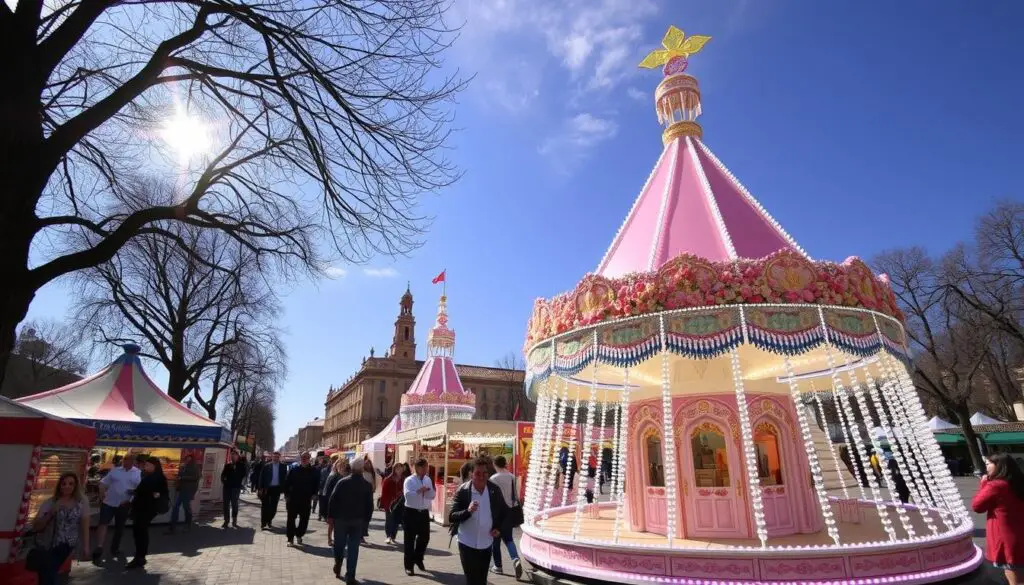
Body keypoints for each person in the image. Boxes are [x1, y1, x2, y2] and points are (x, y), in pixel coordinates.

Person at [450, 457, 509, 585]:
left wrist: (498, 528)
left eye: (485, 473)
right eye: (478, 473)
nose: (482, 476)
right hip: (467, 542)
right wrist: (468, 511)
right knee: (472, 580)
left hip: (486, 543)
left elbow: (505, 512)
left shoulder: (494, 490)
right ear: (471, 474)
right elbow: (452, 516)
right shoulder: (463, 490)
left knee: (482, 581)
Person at [972, 453, 1024, 585]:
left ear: (999, 466)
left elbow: (977, 506)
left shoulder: (995, 486)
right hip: (1020, 534)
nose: (986, 468)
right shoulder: (1018, 483)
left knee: (1014, 576)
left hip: (1006, 538)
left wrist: (984, 483)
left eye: (988, 464)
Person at [30, 472, 90, 585]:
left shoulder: (82, 501)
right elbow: (37, 526)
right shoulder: (51, 502)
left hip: (67, 543)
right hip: (49, 542)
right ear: (59, 485)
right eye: (64, 484)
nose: (67, 486)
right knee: (46, 571)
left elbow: (85, 524)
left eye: (71, 484)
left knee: (49, 569)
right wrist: (51, 512)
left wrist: (86, 546)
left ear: (75, 486)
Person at [328, 459, 374, 584]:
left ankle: (338, 562)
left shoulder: (342, 482)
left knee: (339, 544)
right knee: (353, 549)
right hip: (357, 521)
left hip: (341, 519)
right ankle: (350, 576)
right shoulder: (366, 485)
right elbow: (370, 505)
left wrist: (330, 517)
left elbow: (333, 500)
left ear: (351, 468)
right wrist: (366, 521)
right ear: (362, 469)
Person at [92, 454, 140, 561]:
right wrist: (101, 493)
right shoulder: (115, 471)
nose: (126, 461)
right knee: (103, 523)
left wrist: (130, 500)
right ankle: (99, 547)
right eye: (125, 459)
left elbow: (139, 490)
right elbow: (103, 482)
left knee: (120, 527)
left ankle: (115, 547)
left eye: (128, 460)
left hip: (124, 504)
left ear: (133, 461)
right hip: (108, 502)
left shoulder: (137, 473)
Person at [126, 457, 168, 569]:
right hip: (141, 508)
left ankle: (140, 557)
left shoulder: (158, 478)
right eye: (145, 465)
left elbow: (159, 493)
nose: (146, 467)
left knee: (141, 532)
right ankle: (140, 556)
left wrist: (150, 494)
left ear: (155, 466)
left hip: (147, 509)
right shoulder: (148, 476)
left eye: (148, 465)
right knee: (138, 532)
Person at [489, 455, 523, 578]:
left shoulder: (493, 478)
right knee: (509, 539)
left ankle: (498, 566)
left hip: (497, 513)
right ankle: (515, 559)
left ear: (495, 464)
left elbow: (491, 498)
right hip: (509, 512)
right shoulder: (512, 477)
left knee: (495, 539)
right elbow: (516, 496)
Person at [403, 458, 436, 576]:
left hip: (423, 512)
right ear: (417, 468)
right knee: (409, 540)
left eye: (426, 467)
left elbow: (432, 495)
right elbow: (408, 496)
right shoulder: (409, 480)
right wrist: (418, 491)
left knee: (425, 538)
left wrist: (428, 491)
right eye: (423, 467)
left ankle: (418, 558)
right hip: (411, 511)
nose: (426, 469)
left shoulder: (427, 479)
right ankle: (408, 566)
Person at [285, 452, 320, 546]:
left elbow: (317, 484)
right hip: (293, 499)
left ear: (309, 459)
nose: (304, 459)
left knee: (304, 520)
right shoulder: (294, 470)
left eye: (307, 457)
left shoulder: (314, 471)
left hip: (306, 499)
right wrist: (287, 495)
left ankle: (299, 534)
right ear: (300, 459)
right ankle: (290, 538)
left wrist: (315, 494)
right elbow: (287, 483)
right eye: (303, 457)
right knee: (291, 519)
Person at [168, 454, 200, 533]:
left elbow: (195, 477)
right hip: (182, 489)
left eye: (189, 459)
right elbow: (180, 475)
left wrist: (182, 477)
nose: (187, 460)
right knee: (176, 507)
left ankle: (187, 525)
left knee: (186, 507)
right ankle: (173, 526)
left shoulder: (195, 467)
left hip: (189, 490)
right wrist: (178, 476)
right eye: (187, 459)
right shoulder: (183, 466)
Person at [259, 451, 288, 529]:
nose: (276, 458)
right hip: (267, 488)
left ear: (279, 457)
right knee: (265, 506)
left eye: (277, 457)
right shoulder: (267, 466)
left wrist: (286, 490)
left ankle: (269, 520)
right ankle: (263, 523)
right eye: (274, 457)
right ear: (272, 457)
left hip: (277, 489)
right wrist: (260, 488)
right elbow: (261, 477)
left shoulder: (283, 466)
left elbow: (285, 478)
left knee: (273, 507)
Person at [324, 458, 350, 546]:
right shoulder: (333, 476)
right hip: (333, 503)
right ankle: (329, 539)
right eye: (341, 466)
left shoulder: (345, 477)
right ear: (337, 466)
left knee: (339, 524)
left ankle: (337, 538)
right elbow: (328, 492)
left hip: (342, 504)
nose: (342, 468)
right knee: (331, 523)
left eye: (344, 466)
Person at [221, 451, 247, 528]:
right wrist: (224, 481)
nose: (233, 457)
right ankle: (226, 521)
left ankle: (234, 520)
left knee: (234, 504)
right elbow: (223, 475)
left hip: (236, 488)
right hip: (227, 488)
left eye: (234, 455)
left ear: (237, 456)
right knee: (226, 505)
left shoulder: (242, 465)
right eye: (232, 455)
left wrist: (241, 484)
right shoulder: (228, 465)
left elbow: (244, 476)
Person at [381, 463, 405, 545]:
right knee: (389, 520)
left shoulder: (403, 479)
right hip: (390, 503)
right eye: (398, 468)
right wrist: (385, 504)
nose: (399, 470)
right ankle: (388, 536)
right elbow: (384, 492)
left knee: (396, 521)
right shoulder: (388, 479)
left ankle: (393, 536)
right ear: (394, 469)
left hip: (400, 503)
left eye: (401, 468)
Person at [361, 457, 378, 542]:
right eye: (366, 463)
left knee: (369, 513)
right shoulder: (362, 473)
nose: (368, 465)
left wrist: (374, 488)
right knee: (363, 514)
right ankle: (361, 534)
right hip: (363, 496)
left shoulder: (372, 473)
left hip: (370, 495)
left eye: (369, 463)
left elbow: (374, 483)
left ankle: (364, 531)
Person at [318, 455, 334, 522]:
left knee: (326, 504)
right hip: (322, 490)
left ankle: (324, 516)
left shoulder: (334, 471)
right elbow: (321, 480)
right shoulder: (324, 470)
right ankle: (321, 515)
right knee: (322, 504)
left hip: (329, 491)